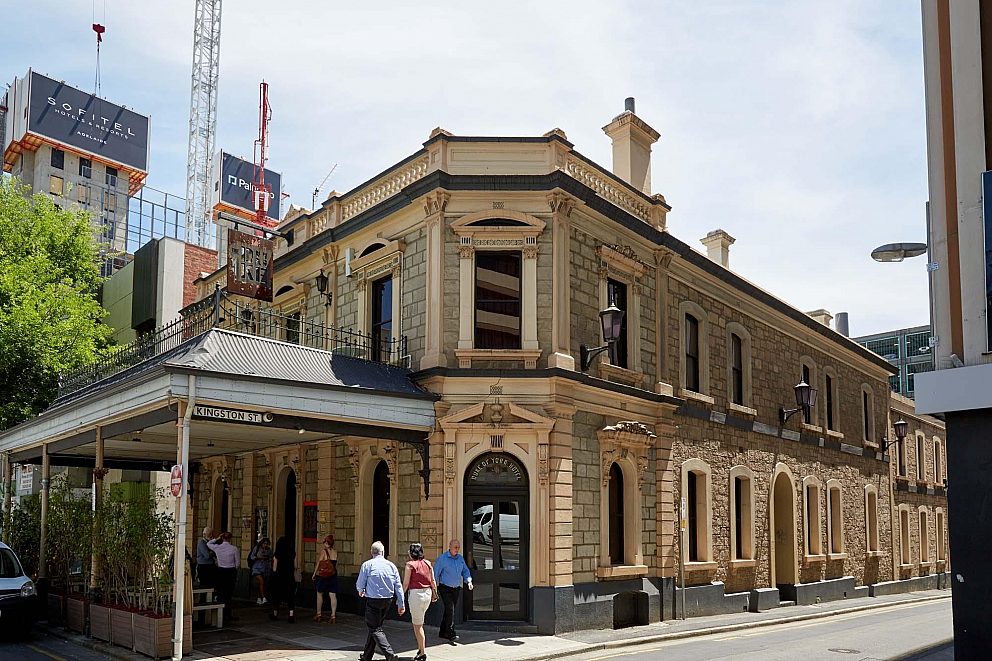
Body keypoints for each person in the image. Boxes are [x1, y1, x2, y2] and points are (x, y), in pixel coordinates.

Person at [356, 541, 405, 661]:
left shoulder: (367, 565)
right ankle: (367, 656)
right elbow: (398, 586)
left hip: (373, 600)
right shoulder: (391, 566)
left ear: (371, 552)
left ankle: (389, 654)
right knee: (375, 627)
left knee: (375, 628)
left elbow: (360, 583)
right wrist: (401, 603)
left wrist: (360, 590)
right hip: (387, 600)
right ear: (382, 552)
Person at [402, 543, 438, 661]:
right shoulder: (428, 563)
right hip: (427, 593)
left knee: (418, 626)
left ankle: (422, 652)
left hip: (416, 595)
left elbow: (406, 583)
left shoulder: (410, 565)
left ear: (411, 553)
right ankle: (420, 648)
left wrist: (400, 596)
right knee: (419, 622)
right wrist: (434, 594)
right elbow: (432, 580)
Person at [434, 539, 473, 644]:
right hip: (445, 588)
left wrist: (468, 581)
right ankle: (451, 633)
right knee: (450, 609)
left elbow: (465, 571)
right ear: (450, 547)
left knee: (449, 610)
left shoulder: (460, 558)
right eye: (455, 547)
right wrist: (434, 588)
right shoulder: (442, 559)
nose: (457, 549)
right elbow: (435, 573)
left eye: (458, 547)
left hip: (456, 588)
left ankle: (443, 631)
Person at [212, 532, 240, 623]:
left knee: (221, 592)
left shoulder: (218, 547)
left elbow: (209, 544)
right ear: (230, 538)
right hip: (231, 572)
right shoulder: (234, 549)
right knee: (229, 593)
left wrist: (216, 538)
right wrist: (234, 569)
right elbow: (238, 563)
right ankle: (228, 614)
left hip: (221, 571)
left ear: (222, 538)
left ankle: (220, 614)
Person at [269, 536, 298, 623]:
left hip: (279, 578)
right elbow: (296, 566)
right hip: (289, 577)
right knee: (291, 596)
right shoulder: (293, 553)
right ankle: (291, 615)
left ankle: (275, 614)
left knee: (277, 596)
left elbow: (274, 568)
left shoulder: (277, 554)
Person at [311, 534, 338, 623]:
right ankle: (333, 616)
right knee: (332, 595)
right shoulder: (335, 552)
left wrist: (314, 574)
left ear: (327, 543)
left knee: (319, 593)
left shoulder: (323, 551)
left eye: (325, 542)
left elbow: (319, 563)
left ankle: (318, 614)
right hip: (333, 575)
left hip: (324, 576)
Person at [248, 537, 272, 605]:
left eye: (267, 544)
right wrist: (258, 558)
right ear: (261, 543)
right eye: (264, 543)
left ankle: (259, 598)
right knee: (261, 582)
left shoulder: (269, 550)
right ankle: (264, 598)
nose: (265, 545)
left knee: (261, 584)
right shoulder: (257, 548)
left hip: (265, 569)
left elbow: (271, 558)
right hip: (256, 568)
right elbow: (252, 557)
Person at [196, 527, 216, 591]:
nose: (211, 536)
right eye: (209, 534)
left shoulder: (209, 543)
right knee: (204, 586)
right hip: (204, 566)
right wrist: (212, 552)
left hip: (210, 566)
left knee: (211, 585)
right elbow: (207, 555)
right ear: (204, 534)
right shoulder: (202, 543)